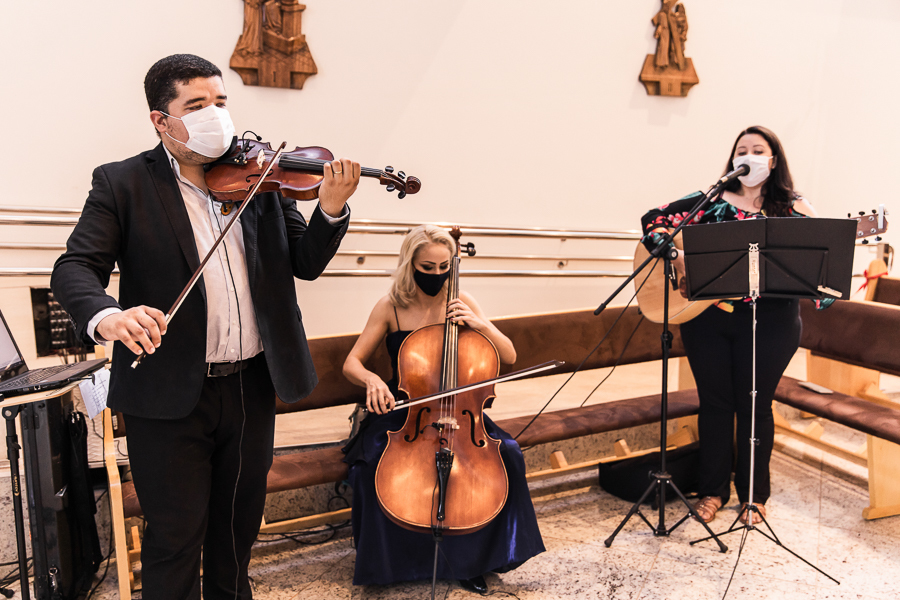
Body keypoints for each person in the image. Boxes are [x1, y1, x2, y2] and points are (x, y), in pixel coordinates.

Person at [51, 54, 360, 599]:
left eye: (220, 102)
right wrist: (110, 316)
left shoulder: (261, 176)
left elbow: (304, 262)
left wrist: (330, 210)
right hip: (168, 395)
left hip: (251, 386)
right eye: (195, 105)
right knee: (174, 539)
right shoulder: (122, 183)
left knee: (236, 538)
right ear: (160, 119)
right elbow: (75, 267)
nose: (215, 114)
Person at [342, 224, 544, 594]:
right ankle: (391, 565)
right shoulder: (391, 307)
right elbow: (352, 362)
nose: (436, 275)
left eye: (442, 267)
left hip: (462, 415)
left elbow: (510, 355)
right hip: (405, 414)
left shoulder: (462, 299)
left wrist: (480, 324)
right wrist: (371, 380)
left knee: (510, 456)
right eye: (427, 268)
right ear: (409, 264)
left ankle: (473, 561)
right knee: (373, 471)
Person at [640, 126, 821, 526]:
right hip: (708, 320)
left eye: (759, 150)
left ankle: (755, 497)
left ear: (773, 160)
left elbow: (821, 261)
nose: (750, 156)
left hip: (771, 323)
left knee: (756, 406)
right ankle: (712, 491)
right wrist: (677, 256)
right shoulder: (707, 200)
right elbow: (652, 223)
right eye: (743, 149)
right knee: (716, 404)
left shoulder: (793, 207)